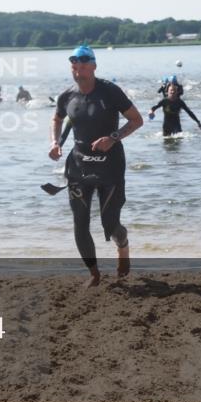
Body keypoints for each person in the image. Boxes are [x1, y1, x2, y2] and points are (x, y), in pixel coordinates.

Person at [49, 45, 143, 287]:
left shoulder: (110, 92)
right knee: (79, 221)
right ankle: (94, 273)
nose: (77, 67)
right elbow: (57, 118)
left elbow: (136, 120)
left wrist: (112, 138)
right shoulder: (67, 96)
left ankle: (123, 247)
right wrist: (55, 142)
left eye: (83, 62)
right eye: (73, 63)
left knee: (110, 224)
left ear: (93, 65)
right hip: (78, 167)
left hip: (109, 167)